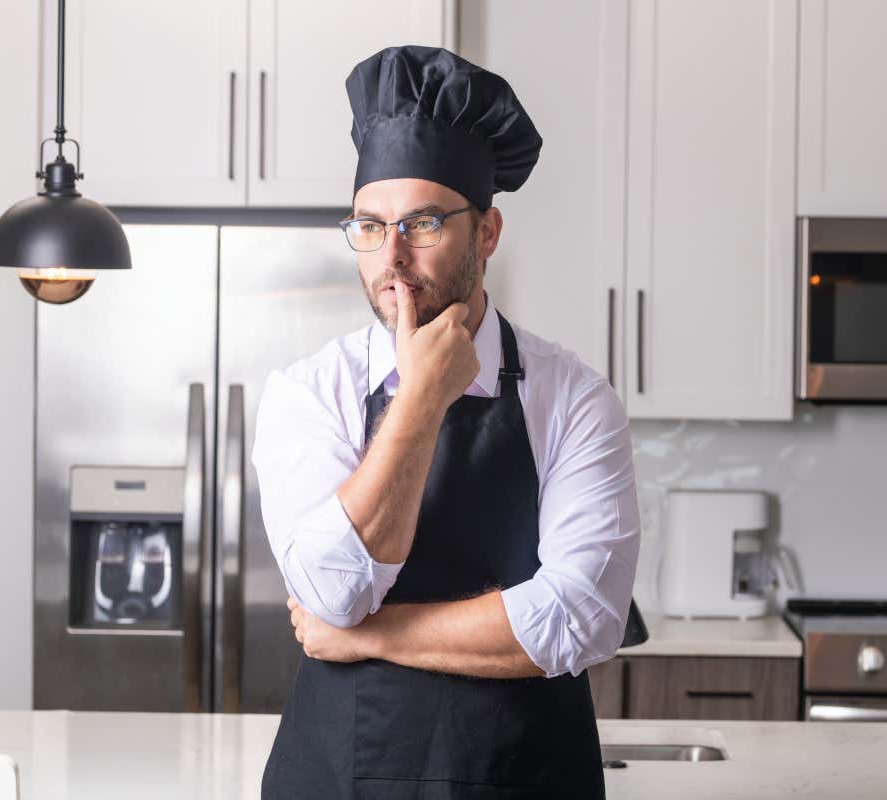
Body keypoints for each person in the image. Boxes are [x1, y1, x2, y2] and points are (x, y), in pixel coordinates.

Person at [253, 44, 640, 800]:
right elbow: (335, 594)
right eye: (369, 226)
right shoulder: (309, 394)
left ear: (487, 232)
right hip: (340, 779)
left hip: (526, 780)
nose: (391, 257)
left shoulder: (574, 399)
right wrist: (422, 397)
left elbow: (581, 615)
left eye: (423, 223)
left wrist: (371, 638)